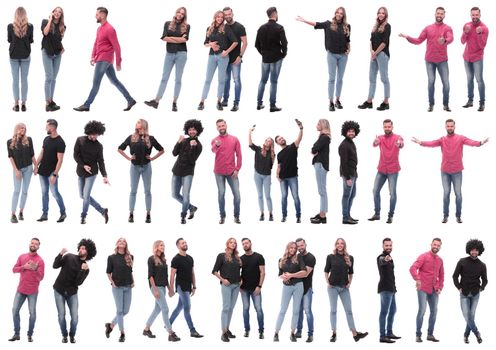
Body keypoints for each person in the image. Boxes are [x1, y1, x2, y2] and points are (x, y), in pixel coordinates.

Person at [412, 119, 488, 223]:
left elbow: (471, 142)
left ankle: (458, 216)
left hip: (457, 171)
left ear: (454, 127)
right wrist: (421, 142)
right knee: (446, 193)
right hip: (445, 172)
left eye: (451, 126)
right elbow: (432, 143)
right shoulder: (442, 139)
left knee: (458, 194)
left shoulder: (460, 138)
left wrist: (480, 143)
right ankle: (445, 215)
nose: (450, 128)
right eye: (448, 126)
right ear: (445, 127)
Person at [74, 7, 136, 112]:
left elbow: (117, 46)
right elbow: (96, 43)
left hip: (105, 59)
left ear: (103, 15)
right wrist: (93, 56)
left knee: (96, 82)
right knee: (114, 81)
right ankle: (130, 100)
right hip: (101, 58)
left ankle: (87, 105)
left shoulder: (110, 29)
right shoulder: (99, 29)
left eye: (97, 14)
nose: (95, 16)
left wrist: (118, 62)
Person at [399, 7, 453, 112]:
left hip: (442, 60)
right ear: (435, 14)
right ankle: (431, 104)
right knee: (431, 81)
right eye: (438, 13)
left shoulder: (447, 28)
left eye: (442, 14)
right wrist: (407, 37)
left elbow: (450, 38)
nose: (439, 15)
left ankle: (446, 105)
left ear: (444, 15)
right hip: (430, 61)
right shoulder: (428, 28)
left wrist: (445, 40)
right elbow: (418, 40)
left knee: (446, 83)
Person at [296, 7, 350, 111]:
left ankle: (337, 100)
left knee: (340, 79)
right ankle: (331, 102)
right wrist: (304, 20)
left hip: (343, 56)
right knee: (332, 78)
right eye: (337, 13)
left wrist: (349, 49)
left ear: (343, 15)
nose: (339, 14)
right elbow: (317, 24)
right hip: (332, 55)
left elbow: (348, 40)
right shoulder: (328, 24)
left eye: (341, 13)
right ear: (335, 14)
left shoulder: (347, 26)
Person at [118, 119, 164, 223]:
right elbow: (120, 149)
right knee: (133, 191)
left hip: (147, 167)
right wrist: (129, 158)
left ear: (143, 125)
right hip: (134, 167)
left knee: (147, 191)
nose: (136, 123)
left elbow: (162, 150)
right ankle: (131, 213)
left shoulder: (150, 138)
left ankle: (148, 214)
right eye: (136, 122)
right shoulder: (132, 137)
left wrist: (152, 158)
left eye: (138, 122)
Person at [144, 7, 189, 112]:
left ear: (184, 16)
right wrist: (178, 39)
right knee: (164, 78)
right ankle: (156, 101)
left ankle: (174, 102)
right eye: (178, 12)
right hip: (169, 54)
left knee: (178, 79)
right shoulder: (167, 24)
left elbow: (185, 39)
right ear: (176, 12)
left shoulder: (187, 26)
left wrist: (171, 38)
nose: (180, 14)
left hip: (181, 54)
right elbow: (164, 38)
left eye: (182, 13)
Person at [53, 238, 97, 344]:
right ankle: (64, 335)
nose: (81, 250)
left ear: (88, 252)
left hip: (72, 293)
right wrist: (60, 254)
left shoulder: (86, 268)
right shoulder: (69, 256)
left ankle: (72, 335)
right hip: (59, 289)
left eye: (84, 249)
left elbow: (78, 282)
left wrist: (83, 270)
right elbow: (55, 266)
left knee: (75, 318)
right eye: (81, 248)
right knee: (61, 315)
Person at [325, 238, 368, 343]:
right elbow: (326, 270)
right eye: (338, 243)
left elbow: (351, 272)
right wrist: (327, 282)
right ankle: (334, 333)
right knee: (333, 310)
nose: (340, 245)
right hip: (333, 287)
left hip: (344, 288)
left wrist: (350, 283)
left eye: (342, 243)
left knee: (349, 311)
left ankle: (355, 334)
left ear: (344, 245)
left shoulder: (350, 258)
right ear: (335, 245)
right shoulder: (330, 257)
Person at [197, 10, 238, 111]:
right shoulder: (209, 28)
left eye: (221, 17)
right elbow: (205, 43)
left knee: (221, 80)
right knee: (207, 79)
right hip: (212, 56)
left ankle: (219, 101)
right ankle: (202, 101)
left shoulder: (226, 28)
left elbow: (235, 42)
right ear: (215, 17)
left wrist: (227, 51)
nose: (219, 18)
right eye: (218, 17)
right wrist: (211, 44)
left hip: (223, 57)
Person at [142, 241, 180, 342]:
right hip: (156, 287)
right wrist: (154, 290)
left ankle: (146, 329)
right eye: (161, 245)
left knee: (157, 309)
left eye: (164, 245)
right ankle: (170, 333)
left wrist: (169, 289)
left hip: (163, 287)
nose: (163, 247)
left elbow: (165, 277)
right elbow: (150, 276)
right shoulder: (151, 259)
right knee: (165, 309)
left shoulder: (163, 260)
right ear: (156, 247)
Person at [9, 238, 44, 343]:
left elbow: (41, 277)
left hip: (33, 291)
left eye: (36, 244)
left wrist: (35, 269)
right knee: (15, 310)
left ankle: (30, 334)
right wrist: (24, 267)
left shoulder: (40, 260)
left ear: (38, 247)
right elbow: (14, 270)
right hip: (21, 289)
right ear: (29, 244)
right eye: (32, 243)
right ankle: (16, 334)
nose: (33, 245)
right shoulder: (22, 256)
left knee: (32, 313)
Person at [452, 239, 487, 344]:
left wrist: (481, 288)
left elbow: (485, 280)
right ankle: (477, 333)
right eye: (472, 250)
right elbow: (455, 276)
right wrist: (458, 287)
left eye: (476, 250)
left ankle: (466, 335)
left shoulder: (482, 265)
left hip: (476, 294)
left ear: (479, 251)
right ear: (469, 250)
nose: (474, 252)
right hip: (464, 294)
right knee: (467, 315)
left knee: (471, 315)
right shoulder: (462, 261)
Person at [368, 119, 403, 224]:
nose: (387, 128)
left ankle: (390, 215)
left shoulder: (398, 137)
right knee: (375, 191)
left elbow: (401, 144)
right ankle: (377, 214)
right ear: (383, 127)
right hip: (382, 169)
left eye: (389, 126)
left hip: (393, 170)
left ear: (392, 127)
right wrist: (375, 142)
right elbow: (374, 144)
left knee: (392, 193)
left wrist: (399, 144)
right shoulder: (380, 138)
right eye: (385, 127)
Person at [74, 120, 109, 224]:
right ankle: (102, 210)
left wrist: (105, 175)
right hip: (80, 171)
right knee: (82, 195)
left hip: (92, 173)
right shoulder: (80, 140)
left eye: (97, 135)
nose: (95, 137)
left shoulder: (99, 146)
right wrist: (83, 165)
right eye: (93, 134)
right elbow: (76, 155)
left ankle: (83, 216)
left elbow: (101, 161)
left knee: (86, 196)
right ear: (88, 132)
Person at [409, 238, 444, 343]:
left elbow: (442, 275)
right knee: (422, 310)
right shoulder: (423, 256)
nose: (436, 247)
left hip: (434, 289)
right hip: (423, 288)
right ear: (431, 244)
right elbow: (412, 268)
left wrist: (440, 287)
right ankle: (418, 335)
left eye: (438, 245)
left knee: (434, 312)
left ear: (440, 247)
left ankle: (430, 335)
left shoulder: (440, 260)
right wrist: (417, 279)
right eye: (435, 244)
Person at [169, 238, 203, 338]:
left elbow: (192, 272)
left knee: (179, 307)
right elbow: (172, 275)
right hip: (180, 286)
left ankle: (168, 323)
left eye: (185, 242)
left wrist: (194, 286)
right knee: (187, 307)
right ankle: (192, 330)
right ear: (178, 246)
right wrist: (171, 288)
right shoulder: (176, 259)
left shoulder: (190, 258)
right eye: (182, 243)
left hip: (188, 286)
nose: (185, 244)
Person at [357, 7, 391, 111]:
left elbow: (384, 42)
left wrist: (375, 53)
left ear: (385, 15)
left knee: (384, 78)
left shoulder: (387, 26)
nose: (381, 14)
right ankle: (369, 101)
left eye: (383, 13)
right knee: (372, 78)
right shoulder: (375, 27)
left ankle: (386, 102)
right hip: (374, 55)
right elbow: (371, 40)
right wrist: (371, 51)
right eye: (379, 13)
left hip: (382, 54)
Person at [255, 6, 287, 112]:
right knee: (273, 82)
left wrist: (263, 54)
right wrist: (283, 54)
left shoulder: (261, 28)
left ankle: (259, 104)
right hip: (276, 58)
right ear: (275, 13)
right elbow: (284, 43)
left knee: (263, 81)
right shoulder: (279, 28)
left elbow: (256, 45)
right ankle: (272, 106)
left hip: (265, 59)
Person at [273, 242, 306, 342]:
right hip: (286, 287)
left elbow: (304, 272)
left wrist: (291, 275)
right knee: (283, 309)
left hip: (298, 286)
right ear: (287, 248)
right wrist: (283, 277)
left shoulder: (299, 258)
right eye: (291, 248)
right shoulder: (281, 260)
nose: (293, 250)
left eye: (295, 248)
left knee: (296, 311)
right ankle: (276, 332)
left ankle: (292, 333)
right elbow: (279, 274)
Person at [172, 119, 203, 224]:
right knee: (174, 194)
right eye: (190, 130)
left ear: (198, 131)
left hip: (188, 173)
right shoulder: (184, 140)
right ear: (187, 130)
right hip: (176, 171)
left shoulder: (198, 145)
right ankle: (192, 207)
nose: (192, 131)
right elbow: (174, 153)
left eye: (194, 130)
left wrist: (192, 147)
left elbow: (192, 160)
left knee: (186, 196)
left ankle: (183, 216)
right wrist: (178, 142)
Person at [211, 119, 242, 224]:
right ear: (217, 128)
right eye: (219, 126)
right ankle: (222, 216)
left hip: (232, 172)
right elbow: (213, 150)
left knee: (237, 195)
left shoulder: (234, 139)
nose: (221, 127)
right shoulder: (215, 140)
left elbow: (239, 155)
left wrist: (237, 169)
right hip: (218, 172)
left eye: (222, 125)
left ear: (226, 125)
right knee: (221, 193)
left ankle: (236, 216)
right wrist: (217, 145)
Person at [36, 119, 66, 223]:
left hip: (51, 172)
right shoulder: (46, 139)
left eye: (47, 126)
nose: (45, 128)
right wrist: (36, 166)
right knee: (44, 193)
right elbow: (42, 153)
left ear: (52, 127)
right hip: (42, 171)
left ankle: (63, 213)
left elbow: (60, 160)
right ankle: (45, 214)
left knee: (55, 193)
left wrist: (54, 174)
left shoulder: (60, 142)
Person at [212, 238, 242, 342]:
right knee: (226, 308)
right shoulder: (222, 256)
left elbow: (239, 270)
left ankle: (227, 329)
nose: (233, 244)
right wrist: (223, 279)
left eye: (234, 243)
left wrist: (241, 279)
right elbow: (214, 271)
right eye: (231, 242)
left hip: (236, 285)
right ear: (227, 244)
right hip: (227, 285)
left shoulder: (237, 257)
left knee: (231, 308)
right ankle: (223, 332)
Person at [105, 238, 134, 343]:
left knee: (126, 311)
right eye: (120, 241)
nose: (122, 242)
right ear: (117, 244)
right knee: (120, 311)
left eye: (124, 241)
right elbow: (108, 272)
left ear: (126, 244)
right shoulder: (111, 258)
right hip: (117, 287)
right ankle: (122, 333)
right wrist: (112, 282)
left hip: (128, 286)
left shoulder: (130, 257)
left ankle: (111, 325)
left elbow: (130, 271)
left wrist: (133, 281)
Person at [461, 7, 488, 112]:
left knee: (479, 80)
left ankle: (482, 103)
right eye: (473, 15)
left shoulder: (484, 28)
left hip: (477, 58)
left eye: (477, 15)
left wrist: (480, 34)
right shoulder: (467, 25)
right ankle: (470, 101)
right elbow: (462, 41)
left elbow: (482, 46)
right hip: (466, 57)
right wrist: (466, 32)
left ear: (480, 15)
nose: (475, 17)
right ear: (470, 15)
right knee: (469, 80)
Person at [275, 119, 303, 223]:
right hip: (283, 178)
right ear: (278, 143)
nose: (281, 139)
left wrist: (301, 128)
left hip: (292, 177)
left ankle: (298, 216)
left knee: (295, 196)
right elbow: (279, 166)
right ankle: (284, 216)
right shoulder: (279, 154)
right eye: (279, 139)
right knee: (283, 197)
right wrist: (277, 175)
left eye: (282, 138)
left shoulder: (292, 147)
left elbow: (299, 138)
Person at [8, 123, 36, 223]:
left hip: (28, 168)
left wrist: (36, 166)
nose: (23, 130)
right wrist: (16, 170)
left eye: (24, 128)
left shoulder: (29, 140)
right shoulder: (10, 142)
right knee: (16, 191)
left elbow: (32, 154)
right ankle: (13, 214)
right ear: (16, 129)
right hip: (18, 169)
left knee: (24, 191)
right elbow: (11, 157)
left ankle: (21, 212)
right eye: (21, 128)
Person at [222, 7, 247, 112]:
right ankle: (225, 100)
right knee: (225, 80)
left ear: (232, 14)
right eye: (225, 15)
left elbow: (245, 43)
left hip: (235, 59)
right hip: (224, 59)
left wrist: (240, 56)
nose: (227, 16)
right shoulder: (222, 27)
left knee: (236, 80)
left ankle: (236, 103)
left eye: (229, 14)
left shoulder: (240, 27)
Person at [8, 7, 33, 112]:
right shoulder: (30, 26)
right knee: (24, 80)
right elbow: (31, 40)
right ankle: (23, 104)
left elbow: (9, 39)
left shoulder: (10, 26)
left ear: (16, 15)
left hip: (13, 55)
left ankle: (16, 104)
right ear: (25, 14)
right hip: (25, 55)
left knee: (15, 80)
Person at [240, 238, 265, 339]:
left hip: (256, 288)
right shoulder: (240, 258)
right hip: (244, 289)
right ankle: (247, 330)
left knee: (258, 309)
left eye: (246, 243)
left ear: (250, 243)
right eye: (243, 244)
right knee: (245, 309)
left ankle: (261, 331)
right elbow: (236, 273)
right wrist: (239, 287)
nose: (245, 245)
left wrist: (259, 286)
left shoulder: (259, 257)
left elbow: (263, 272)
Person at [41, 7, 66, 112]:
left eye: (59, 12)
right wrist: (50, 19)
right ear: (52, 12)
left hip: (57, 54)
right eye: (55, 11)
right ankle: (47, 103)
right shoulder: (45, 22)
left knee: (54, 78)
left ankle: (51, 100)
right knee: (49, 77)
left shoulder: (63, 27)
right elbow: (45, 33)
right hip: (47, 52)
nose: (57, 13)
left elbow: (57, 40)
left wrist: (62, 47)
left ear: (61, 15)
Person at [377, 238, 401, 343]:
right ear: (383, 246)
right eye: (386, 245)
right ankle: (382, 336)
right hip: (385, 289)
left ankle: (389, 333)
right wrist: (385, 259)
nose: (389, 247)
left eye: (390, 245)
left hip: (392, 289)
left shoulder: (391, 258)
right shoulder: (381, 257)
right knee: (384, 312)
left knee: (393, 311)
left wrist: (395, 289)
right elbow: (382, 261)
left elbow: (391, 275)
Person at [248, 126, 274, 221]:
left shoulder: (272, 154)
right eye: (267, 140)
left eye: (270, 140)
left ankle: (271, 214)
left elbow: (270, 167)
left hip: (267, 176)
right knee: (260, 195)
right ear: (265, 142)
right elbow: (250, 144)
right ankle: (262, 213)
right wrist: (250, 132)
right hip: (257, 175)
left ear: (271, 143)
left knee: (267, 196)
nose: (268, 141)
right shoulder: (258, 149)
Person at [339, 120, 360, 224]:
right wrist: (347, 178)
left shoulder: (351, 142)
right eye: (349, 131)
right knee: (346, 195)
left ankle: (348, 215)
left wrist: (355, 175)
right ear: (345, 132)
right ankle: (345, 217)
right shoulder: (344, 145)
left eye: (353, 131)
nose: (351, 133)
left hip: (353, 173)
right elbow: (343, 163)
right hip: (348, 174)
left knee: (352, 195)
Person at [310, 119, 331, 224]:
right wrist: (314, 150)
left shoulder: (324, 138)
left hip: (321, 165)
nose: (316, 125)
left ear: (323, 125)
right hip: (320, 164)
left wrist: (314, 150)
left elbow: (314, 149)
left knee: (322, 191)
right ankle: (322, 213)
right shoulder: (323, 137)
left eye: (318, 124)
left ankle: (322, 216)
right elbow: (315, 149)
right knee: (321, 190)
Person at [295, 238, 316, 343]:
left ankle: (310, 334)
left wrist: (291, 275)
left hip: (307, 288)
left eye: (301, 245)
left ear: (305, 244)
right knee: (298, 311)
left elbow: (305, 273)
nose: (300, 248)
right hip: (297, 288)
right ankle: (299, 331)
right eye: (298, 246)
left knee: (307, 311)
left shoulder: (311, 257)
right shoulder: (296, 256)